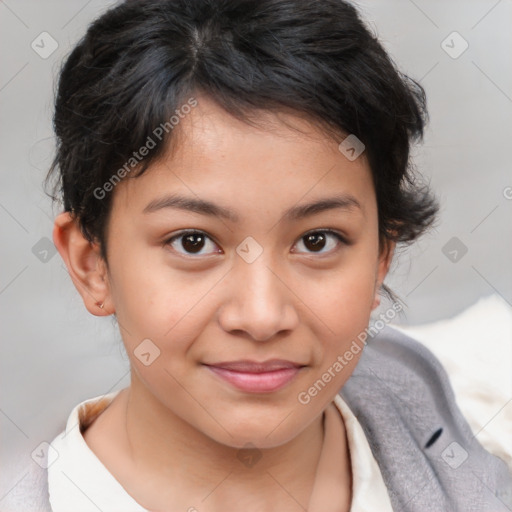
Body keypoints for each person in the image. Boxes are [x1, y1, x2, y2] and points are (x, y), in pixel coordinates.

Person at [14, 0, 511, 510]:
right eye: (193, 241)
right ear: (91, 264)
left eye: (317, 241)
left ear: (381, 255)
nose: (261, 317)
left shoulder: (455, 409)